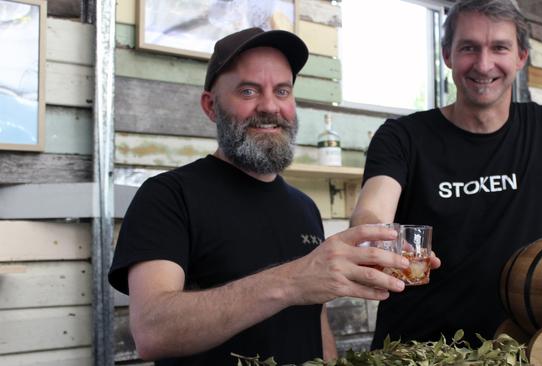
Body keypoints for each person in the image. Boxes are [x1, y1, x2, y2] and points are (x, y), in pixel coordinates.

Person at [350, 0, 542, 349]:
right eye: (469, 48)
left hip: (514, 349)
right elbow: (371, 216)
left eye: (499, 48)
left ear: (521, 57)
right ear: (447, 54)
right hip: (415, 351)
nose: (483, 63)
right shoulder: (402, 137)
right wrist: (375, 238)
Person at [108, 27, 413, 365]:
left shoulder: (304, 207)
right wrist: (292, 281)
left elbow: (314, 320)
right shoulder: (168, 196)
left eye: (282, 91)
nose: (270, 106)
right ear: (211, 106)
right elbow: (153, 331)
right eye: (249, 90)